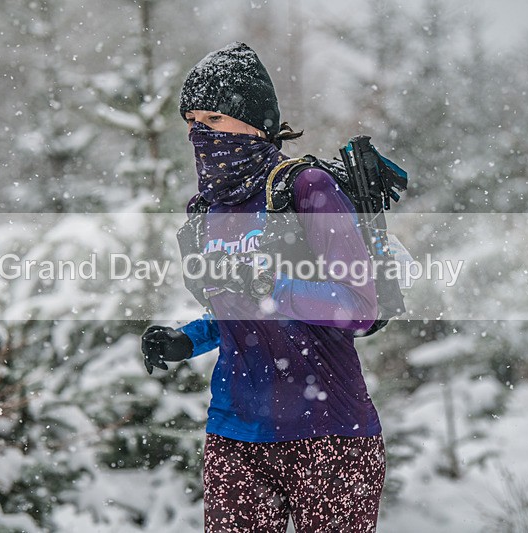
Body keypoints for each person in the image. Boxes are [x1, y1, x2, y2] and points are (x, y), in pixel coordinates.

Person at [141, 42, 386, 532]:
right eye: (191, 121)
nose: (199, 133)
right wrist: (186, 339)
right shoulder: (207, 210)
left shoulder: (306, 189)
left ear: (255, 124)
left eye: (214, 119)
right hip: (235, 434)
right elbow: (236, 308)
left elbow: (360, 305)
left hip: (329, 433)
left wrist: (276, 285)